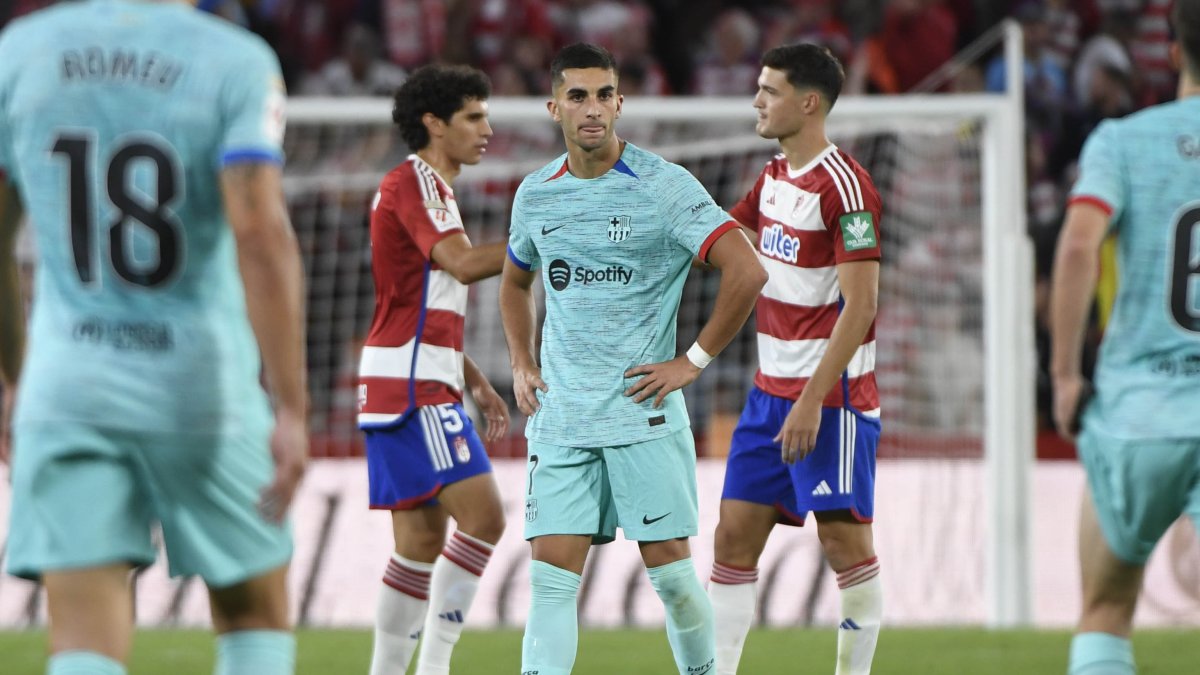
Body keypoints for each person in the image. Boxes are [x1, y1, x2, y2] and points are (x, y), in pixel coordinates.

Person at [0, 2, 307, 674]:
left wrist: (16, 380)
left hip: (67, 384)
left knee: (81, 635)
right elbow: (259, 228)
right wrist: (291, 406)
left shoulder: (18, 53)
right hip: (200, 389)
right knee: (254, 609)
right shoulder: (234, 59)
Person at [499, 42, 767, 675]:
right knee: (551, 583)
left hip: (640, 415)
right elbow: (514, 281)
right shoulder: (535, 195)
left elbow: (747, 270)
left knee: (673, 581)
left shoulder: (664, 187)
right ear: (553, 107)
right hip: (563, 417)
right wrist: (520, 361)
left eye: (603, 95)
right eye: (577, 96)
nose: (591, 109)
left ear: (620, 102)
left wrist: (692, 361)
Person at [707, 43, 884, 675]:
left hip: (829, 402)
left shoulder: (846, 186)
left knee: (844, 542)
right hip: (767, 396)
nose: (757, 100)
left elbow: (861, 306)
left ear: (808, 103)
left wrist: (812, 399)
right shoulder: (774, 176)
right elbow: (727, 236)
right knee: (732, 538)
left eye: (769, 90)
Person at [1050, 3, 1200, 674]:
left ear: (1171, 53)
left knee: (1106, 609)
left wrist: (1063, 373)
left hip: (1137, 413)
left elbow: (1079, 243)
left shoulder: (1121, 139)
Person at [356, 63, 511, 675]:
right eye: (473, 117)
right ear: (433, 124)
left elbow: (418, 298)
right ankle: (435, 667)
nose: (487, 129)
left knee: (420, 544)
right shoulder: (414, 183)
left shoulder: (430, 189)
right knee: (484, 519)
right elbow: (465, 266)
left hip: (408, 376)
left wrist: (472, 375)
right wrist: (550, 236)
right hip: (412, 386)